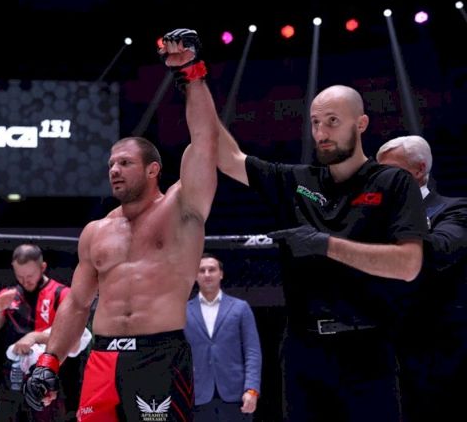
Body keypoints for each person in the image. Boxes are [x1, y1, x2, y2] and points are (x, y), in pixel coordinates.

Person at [190, 80, 428, 421]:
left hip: (367, 348)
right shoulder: (297, 181)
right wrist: (193, 79)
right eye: (315, 123)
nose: (321, 133)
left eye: (332, 121)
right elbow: (227, 157)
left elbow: (409, 264)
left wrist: (325, 245)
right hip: (303, 349)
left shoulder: (393, 182)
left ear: (361, 124)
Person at [23, 28, 219, 421]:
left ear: (152, 170)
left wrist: (193, 75)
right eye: (111, 164)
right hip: (102, 358)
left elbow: (204, 142)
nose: (114, 170)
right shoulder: (96, 231)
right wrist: (49, 360)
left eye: (125, 163)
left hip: (159, 356)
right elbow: (77, 303)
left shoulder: (182, 209)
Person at [376, 135, 467, 422]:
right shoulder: (371, 217)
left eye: (391, 171)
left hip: (440, 353)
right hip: (383, 350)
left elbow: (441, 251)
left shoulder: (454, 209)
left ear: (419, 169)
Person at [0, 243, 90, 422]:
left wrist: (34, 337)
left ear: (42, 267)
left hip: (47, 383)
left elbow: (74, 341)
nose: (25, 281)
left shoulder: (62, 294)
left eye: (29, 276)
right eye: (19, 276)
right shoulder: (9, 296)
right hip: (12, 383)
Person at [184, 252, 262, 421]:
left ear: (221, 274)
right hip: (196, 395)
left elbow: (252, 352)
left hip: (236, 394)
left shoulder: (240, 308)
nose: (207, 274)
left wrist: (252, 389)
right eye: (201, 270)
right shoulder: (183, 311)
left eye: (212, 269)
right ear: (195, 276)